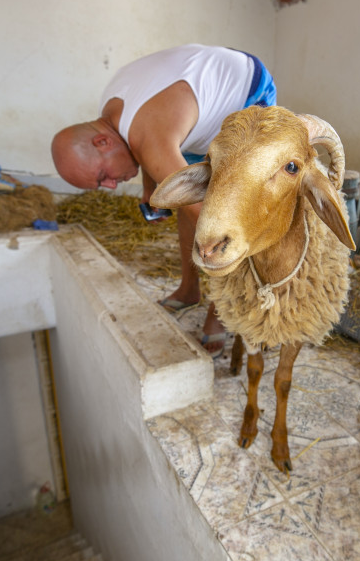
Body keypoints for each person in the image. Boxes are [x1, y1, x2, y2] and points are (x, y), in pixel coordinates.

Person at [51, 44, 277, 357]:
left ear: (101, 142)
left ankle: (220, 310)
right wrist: (151, 188)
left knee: (214, 219)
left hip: (245, 92)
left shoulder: (150, 138)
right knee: (183, 199)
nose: (113, 186)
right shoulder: (112, 109)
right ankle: (189, 290)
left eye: (103, 176)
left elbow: (215, 225)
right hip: (201, 100)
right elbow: (141, 143)